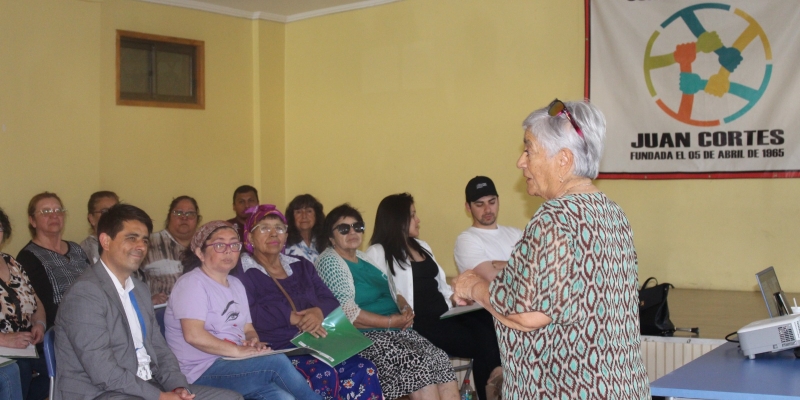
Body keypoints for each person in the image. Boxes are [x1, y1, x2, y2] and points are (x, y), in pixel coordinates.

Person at [452, 99, 650, 399]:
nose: (521, 161)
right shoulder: (612, 212)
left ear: (563, 160)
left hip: (569, 389)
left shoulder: (554, 217)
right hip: (621, 386)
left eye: (529, 149)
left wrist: (473, 287)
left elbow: (527, 312)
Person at [54, 204, 242, 400]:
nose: (141, 246)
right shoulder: (85, 294)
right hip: (102, 392)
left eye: (144, 240)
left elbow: (159, 348)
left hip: (147, 385)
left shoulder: (140, 289)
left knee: (231, 398)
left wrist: (177, 386)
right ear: (106, 241)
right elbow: (103, 371)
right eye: (131, 238)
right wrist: (159, 396)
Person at [233, 205, 382, 400]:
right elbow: (247, 314)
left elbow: (329, 299)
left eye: (279, 228)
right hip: (279, 349)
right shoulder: (241, 272)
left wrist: (318, 312)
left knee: (364, 368)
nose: (273, 234)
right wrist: (291, 317)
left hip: (318, 343)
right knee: (324, 374)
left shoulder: (301, 265)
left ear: (286, 236)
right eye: (264, 228)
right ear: (250, 237)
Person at [165, 220, 322, 400]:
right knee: (275, 363)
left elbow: (248, 329)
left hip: (234, 363)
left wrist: (253, 342)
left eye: (234, 244)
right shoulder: (192, 283)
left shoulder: (236, 283)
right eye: (219, 245)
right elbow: (193, 335)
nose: (228, 250)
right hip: (200, 370)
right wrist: (239, 351)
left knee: (283, 398)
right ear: (200, 252)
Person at [315, 204, 458, 400]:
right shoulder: (329, 261)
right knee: (418, 363)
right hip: (364, 337)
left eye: (358, 226)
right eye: (343, 228)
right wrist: (391, 322)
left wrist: (405, 308)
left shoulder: (364, 258)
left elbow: (394, 292)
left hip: (394, 331)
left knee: (439, 359)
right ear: (331, 237)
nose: (352, 232)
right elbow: (347, 313)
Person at [367, 193, 501, 400]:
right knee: (484, 343)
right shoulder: (378, 252)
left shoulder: (423, 247)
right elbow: (379, 294)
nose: (418, 220)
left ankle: (495, 383)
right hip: (420, 324)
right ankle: (494, 386)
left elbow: (441, 287)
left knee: (489, 320)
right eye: (412, 215)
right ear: (397, 219)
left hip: (446, 314)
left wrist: (459, 299)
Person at [16, 192, 90, 329]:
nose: (54, 215)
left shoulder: (76, 248)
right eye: (45, 211)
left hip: (94, 314)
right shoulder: (28, 257)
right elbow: (43, 306)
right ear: (32, 221)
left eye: (58, 210)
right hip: (64, 327)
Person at [0, 207, 48, 400]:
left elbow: (36, 301)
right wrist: (4, 340)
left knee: (67, 362)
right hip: (5, 350)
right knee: (20, 369)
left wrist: (40, 324)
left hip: (26, 344)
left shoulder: (12, 262)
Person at [453, 176, 522, 281]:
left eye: (492, 202)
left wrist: (505, 264)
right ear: (468, 207)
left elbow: (542, 267)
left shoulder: (516, 233)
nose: (487, 209)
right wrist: (522, 265)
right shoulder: (466, 240)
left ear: (498, 201)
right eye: (479, 204)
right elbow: (492, 277)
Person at [141, 196, 201, 305]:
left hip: (200, 309)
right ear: (169, 217)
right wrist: (147, 300)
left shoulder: (205, 246)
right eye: (178, 213)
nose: (184, 218)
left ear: (198, 219)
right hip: (160, 312)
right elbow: (130, 279)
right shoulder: (150, 243)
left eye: (190, 214)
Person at [80, 191, 120, 265]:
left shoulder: (131, 240)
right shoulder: (86, 249)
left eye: (116, 210)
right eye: (104, 211)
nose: (112, 216)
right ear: (92, 219)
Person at [284, 194, 324, 264]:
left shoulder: (324, 241)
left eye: (309, 211)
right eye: (298, 212)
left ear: (316, 215)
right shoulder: (285, 244)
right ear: (292, 217)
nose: (304, 216)